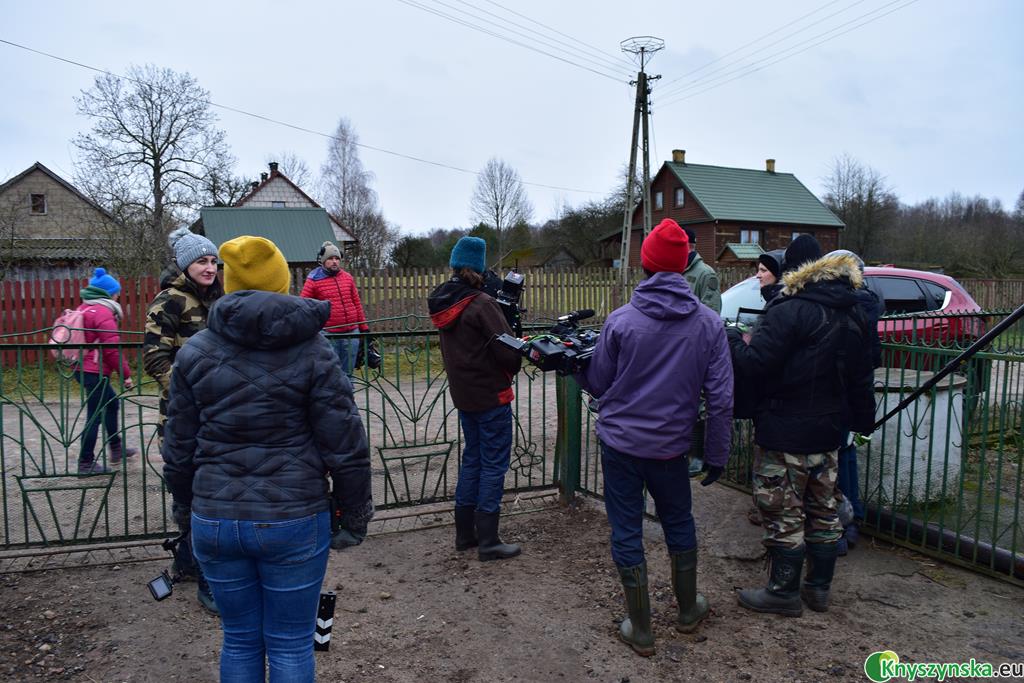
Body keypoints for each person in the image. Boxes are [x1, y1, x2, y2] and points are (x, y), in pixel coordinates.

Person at [162, 236, 373, 681]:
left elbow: (178, 446)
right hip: (293, 517)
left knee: (239, 637)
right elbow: (345, 442)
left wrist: (186, 505)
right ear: (283, 281)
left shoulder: (196, 352)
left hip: (216, 517)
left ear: (230, 282)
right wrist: (355, 512)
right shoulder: (313, 351)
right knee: (291, 643)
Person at [577, 220, 734, 656]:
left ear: (645, 264)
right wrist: (716, 453)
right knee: (679, 522)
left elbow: (599, 382)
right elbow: (721, 398)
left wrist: (578, 369)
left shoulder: (621, 321)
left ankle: (641, 628)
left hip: (621, 446)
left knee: (626, 528)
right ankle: (687, 611)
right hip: (671, 448)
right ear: (685, 266)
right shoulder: (708, 325)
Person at [727, 236, 876, 617]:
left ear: (793, 270)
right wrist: (862, 420)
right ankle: (818, 589)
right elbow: (863, 376)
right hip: (829, 432)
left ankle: (783, 591)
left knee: (782, 510)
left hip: (785, 431)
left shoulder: (789, 309)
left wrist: (729, 340)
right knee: (823, 508)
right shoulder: (856, 310)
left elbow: (756, 364)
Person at [427, 236, 523, 562]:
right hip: (491, 395)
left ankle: (465, 533)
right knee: (493, 464)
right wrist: (517, 342)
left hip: (464, 395)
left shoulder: (444, 302)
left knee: (473, 460)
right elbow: (509, 353)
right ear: (480, 267)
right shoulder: (481, 304)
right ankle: (489, 539)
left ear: (455, 264)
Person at [143, 226, 223, 613]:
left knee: (209, 491)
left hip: (220, 413)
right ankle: (200, 569)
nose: (209, 268)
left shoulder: (220, 300)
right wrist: (191, 388)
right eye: (202, 261)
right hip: (181, 415)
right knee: (188, 490)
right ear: (185, 264)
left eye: (213, 261)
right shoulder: (168, 301)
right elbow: (154, 357)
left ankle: (192, 561)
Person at [824, 249, 884, 555]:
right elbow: (873, 357)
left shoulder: (851, 307)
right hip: (851, 396)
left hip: (837, 396)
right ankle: (851, 520)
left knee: (834, 461)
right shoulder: (867, 303)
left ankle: (841, 525)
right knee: (845, 456)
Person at [73, 267, 137, 476]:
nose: (119, 295)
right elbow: (112, 350)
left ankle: (116, 448)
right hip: (94, 370)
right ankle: (85, 462)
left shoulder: (85, 307)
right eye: (116, 291)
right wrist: (126, 375)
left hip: (83, 367)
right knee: (95, 414)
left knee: (111, 404)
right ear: (110, 293)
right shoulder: (102, 312)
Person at [678, 225, 724, 477]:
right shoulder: (674, 271)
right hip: (676, 349)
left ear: (690, 246)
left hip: (695, 349)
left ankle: (697, 455)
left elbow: (710, 313)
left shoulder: (705, 274)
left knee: (699, 405)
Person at [300, 241, 370, 375]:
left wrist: (364, 327)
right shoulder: (313, 280)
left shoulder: (347, 278)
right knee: (331, 374)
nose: (334, 262)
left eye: (337, 258)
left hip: (352, 332)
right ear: (323, 261)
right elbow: (304, 306)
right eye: (331, 258)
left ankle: (349, 396)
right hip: (329, 334)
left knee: (348, 374)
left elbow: (356, 303)